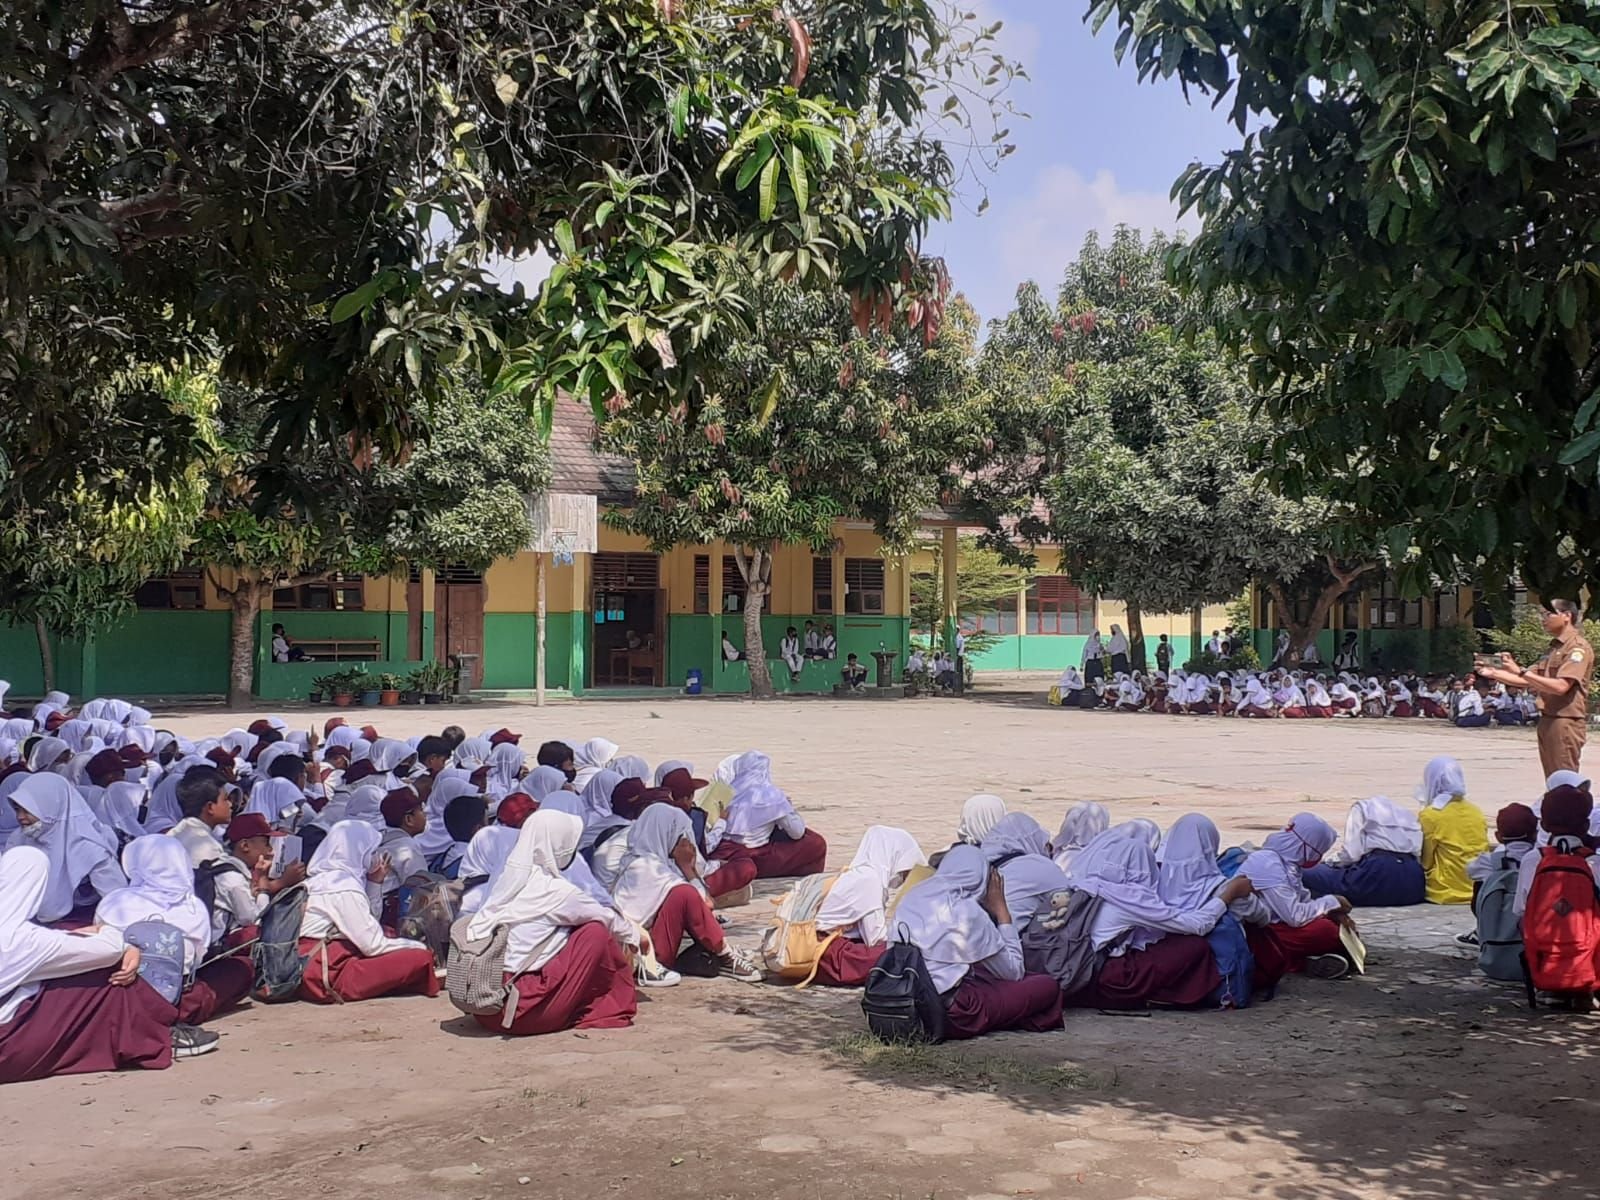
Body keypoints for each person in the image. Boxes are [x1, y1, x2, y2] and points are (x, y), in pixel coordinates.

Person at [0, 845, 214, 1083]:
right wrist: (111, 935)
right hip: (7, 1047)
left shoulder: (115, 902)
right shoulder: (25, 939)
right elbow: (109, 950)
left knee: (73, 973)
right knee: (106, 975)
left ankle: (148, 1029)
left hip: (12, 1014)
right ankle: (154, 1035)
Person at [465, 811, 642, 1035]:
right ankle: (610, 1004)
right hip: (522, 1010)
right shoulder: (555, 891)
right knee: (594, 932)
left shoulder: (506, 875)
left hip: (486, 1004)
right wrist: (638, 939)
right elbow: (609, 919)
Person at [1066, 827, 1251, 1010]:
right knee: (1194, 946)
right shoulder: (1130, 897)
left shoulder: (1084, 885)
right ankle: (1155, 997)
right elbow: (1198, 925)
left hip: (1075, 968)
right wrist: (1229, 894)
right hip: (1104, 978)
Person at [891, 845, 1064, 1039]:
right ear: (982, 877)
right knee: (1046, 985)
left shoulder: (914, 896)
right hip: (953, 1011)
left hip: (903, 996)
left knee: (983, 971)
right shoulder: (968, 912)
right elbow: (1014, 972)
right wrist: (1002, 912)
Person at [96, 835, 254, 1027]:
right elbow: (197, 958)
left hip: (120, 996)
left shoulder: (112, 903)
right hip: (177, 1001)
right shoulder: (193, 907)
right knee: (241, 968)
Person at [610, 805, 762, 981]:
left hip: (639, 945)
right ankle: (726, 955)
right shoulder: (648, 867)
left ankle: (721, 949)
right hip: (638, 955)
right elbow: (706, 903)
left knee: (682, 894)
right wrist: (687, 868)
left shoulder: (641, 858)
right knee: (684, 894)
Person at [295, 821, 439, 1004]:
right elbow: (372, 944)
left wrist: (374, 882)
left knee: (389, 933)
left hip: (306, 964)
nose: (374, 857)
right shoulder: (342, 886)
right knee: (419, 958)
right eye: (371, 851)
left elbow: (370, 922)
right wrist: (417, 946)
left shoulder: (317, 880)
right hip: (327, 971)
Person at [1479, 599, 1596, 777]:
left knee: (1564, 779)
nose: (1543, 619)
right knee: (1552, 778)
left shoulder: (1576, 648)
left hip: (1565, 721)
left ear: (1566, 616)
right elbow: (1528, 680)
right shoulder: (1555, 648)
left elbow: (1561, 686)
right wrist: (1493, 673)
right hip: (1548, 719)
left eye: (1548, 614)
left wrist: (1521, 671)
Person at [1513, 785, 1600, 1009]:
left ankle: (1550, 985)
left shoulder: (1533, 859)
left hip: (1545, 954)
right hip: (1588, 954)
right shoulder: (1594, 863)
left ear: (1543, 824)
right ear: (1586, 825)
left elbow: (1521, 910)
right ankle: (1585, 987)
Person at [1236, 814, 1352, 979]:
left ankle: (1301, 961)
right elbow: (1295, 916)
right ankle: (1298, 963)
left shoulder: (1288, 865)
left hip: (1276, 926)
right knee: (1327, 932)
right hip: (1254, 931)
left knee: (1337, 926)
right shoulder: (1267, 863)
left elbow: (1303, 901)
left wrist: (1334, 913)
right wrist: (1333, 902)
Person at [809, 826, 926, 987]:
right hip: (826, 953)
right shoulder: (869, 880)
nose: (903, 876)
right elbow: (876, 938)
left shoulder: (861, 874)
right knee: (904, 954)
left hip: (826, 946)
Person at [6, 774, 126, 923]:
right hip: (24, 921)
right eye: (17, 810)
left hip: (77, 926)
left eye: (28, 810)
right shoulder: (20, 838)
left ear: (50, 808)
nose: (20, 817)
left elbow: (117, 901)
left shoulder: (88, 847)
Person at [709, 752, 827, 878]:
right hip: (758, 856)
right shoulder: (771, 796)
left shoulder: (726, 792)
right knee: (815, 843)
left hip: (725, 851)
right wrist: (788, 808)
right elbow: (797, 832)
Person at [1301, 797, 1426, 907]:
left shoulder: (1361, 808)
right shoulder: (1406, 815)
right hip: (1412, 883)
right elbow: (1418, 852)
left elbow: (1351, 855)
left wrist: (1329, 862)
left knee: (1304, 870)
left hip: (1377, 872)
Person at [1416, 755, 1490, 905]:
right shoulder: (1475, 811)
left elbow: (1426, 862)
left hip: (1446, 889)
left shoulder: (1431, 815)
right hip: (1477, 885)